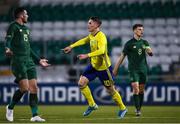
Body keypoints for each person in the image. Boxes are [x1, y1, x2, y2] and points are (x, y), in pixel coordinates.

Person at [63, 16, 127, 118]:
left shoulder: (101, 36)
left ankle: (123, 108)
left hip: (104, 69)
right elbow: (84, 40)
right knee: (81, 83)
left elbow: (102, 51)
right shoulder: (91, 35)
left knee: (110, 90)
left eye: (90, 23)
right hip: (93, 66)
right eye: (88, 23)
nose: (88, 25)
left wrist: (87, 55)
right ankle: (92, 105)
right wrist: (71, 46)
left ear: (97, 25)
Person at [5, 7, 50, 122]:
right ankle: (10, 108)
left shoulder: (26, 29)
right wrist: (7, 48)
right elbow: (8, 39)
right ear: (21, 15)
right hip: (18, 61)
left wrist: (39, 60)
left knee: (34, 88)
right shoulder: (13, 26)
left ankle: (35, 115)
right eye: (26, 14)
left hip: (29, 61)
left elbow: (29, 49)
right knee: (24, 88)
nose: (27, 16)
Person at [113, 24, 153, 116]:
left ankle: (139, 108)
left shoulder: (144, 42)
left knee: (141, 91)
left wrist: (150, 52)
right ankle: (138, 110)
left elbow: (148, 49)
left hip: (143, 69)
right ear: (134, 31)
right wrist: (115, 69)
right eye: (139, 29)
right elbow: (121, 57)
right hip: (133, 70)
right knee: (135, 88)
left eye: (142, 29)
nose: (141, 31)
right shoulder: (129, 44)